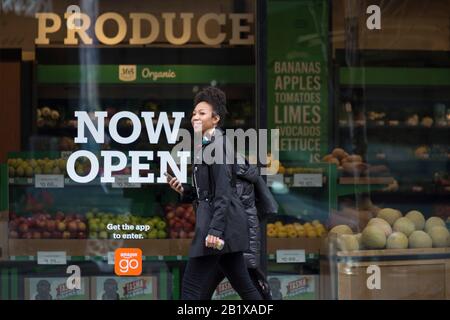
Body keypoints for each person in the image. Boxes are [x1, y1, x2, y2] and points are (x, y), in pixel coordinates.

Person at [167, 86, 262, 300]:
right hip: (224, 227)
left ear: (216, 119)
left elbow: (224, 193)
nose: (195, 117)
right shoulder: (207, 145)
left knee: (190, 288)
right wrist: (185, 190)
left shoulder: (217, 147)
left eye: (202, 113)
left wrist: (215, 231)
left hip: (217, 228)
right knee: (245, 287)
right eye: (194, 113)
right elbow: (209, 191)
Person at [199, 153, 278, 300]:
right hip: (229, 242)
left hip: (232, 242)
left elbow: (225, 207)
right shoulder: (233, 171)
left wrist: (214, 231)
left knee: (248, 289)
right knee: (248, 289)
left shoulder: (233, 175)